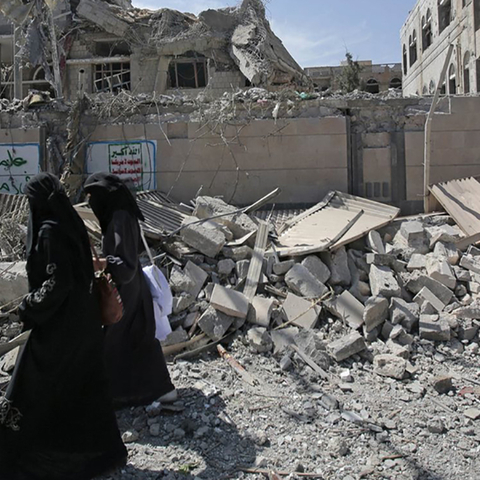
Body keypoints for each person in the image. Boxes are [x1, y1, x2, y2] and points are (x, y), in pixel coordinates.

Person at [0, 173, 127, 480]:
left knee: (32, 390)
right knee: (80, 391)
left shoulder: (48, 232)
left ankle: (21, 457)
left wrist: (28, 306)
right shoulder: (70, 225)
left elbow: (58, 283)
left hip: (60, 331)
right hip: (83, 327)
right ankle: (98, 455)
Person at [84, 172, 176, 408]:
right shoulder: (121, 216)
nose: (91, 202)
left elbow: (122, 264)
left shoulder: (119, 219)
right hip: (132, 290)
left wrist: (98, 264)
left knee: (117, 342)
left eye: (93, 196)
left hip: (126, 292)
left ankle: (123, 395)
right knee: (136, 339)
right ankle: (158, 390)